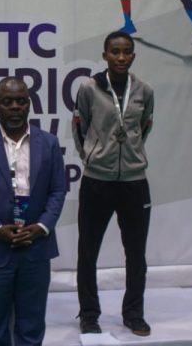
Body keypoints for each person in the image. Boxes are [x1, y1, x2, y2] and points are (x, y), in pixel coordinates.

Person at [0, 77, 67, 346]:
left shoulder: (49, 143)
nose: (14, 107)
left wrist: (42, 226)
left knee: (31, 327)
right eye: (7, 101)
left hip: (37, 246)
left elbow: (58, 191)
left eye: (20, 101)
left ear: (29, 104)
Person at [73, 30, 154, 336]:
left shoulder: (144, 90)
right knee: (87, 252)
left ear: (133, 55)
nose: (121, 57)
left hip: (134, 182)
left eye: (126, 51)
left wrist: (131, 156)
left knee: (136, 253)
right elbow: (79, 127)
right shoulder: (89, 88)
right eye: (115, 51)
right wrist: (93, 157)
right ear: (104, 55)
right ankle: (89, 314)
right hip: (97, 181)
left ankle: (133, 313)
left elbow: (144, 127)